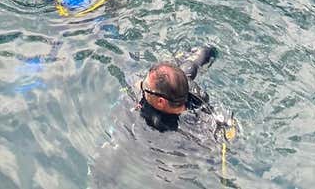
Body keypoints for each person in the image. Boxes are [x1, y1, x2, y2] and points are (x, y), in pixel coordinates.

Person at [91, 46, 238, 187]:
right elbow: (204, 52)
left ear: (160, 102)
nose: (139, 85)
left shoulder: (195, 129)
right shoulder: (183, 80)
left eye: (145, 87)